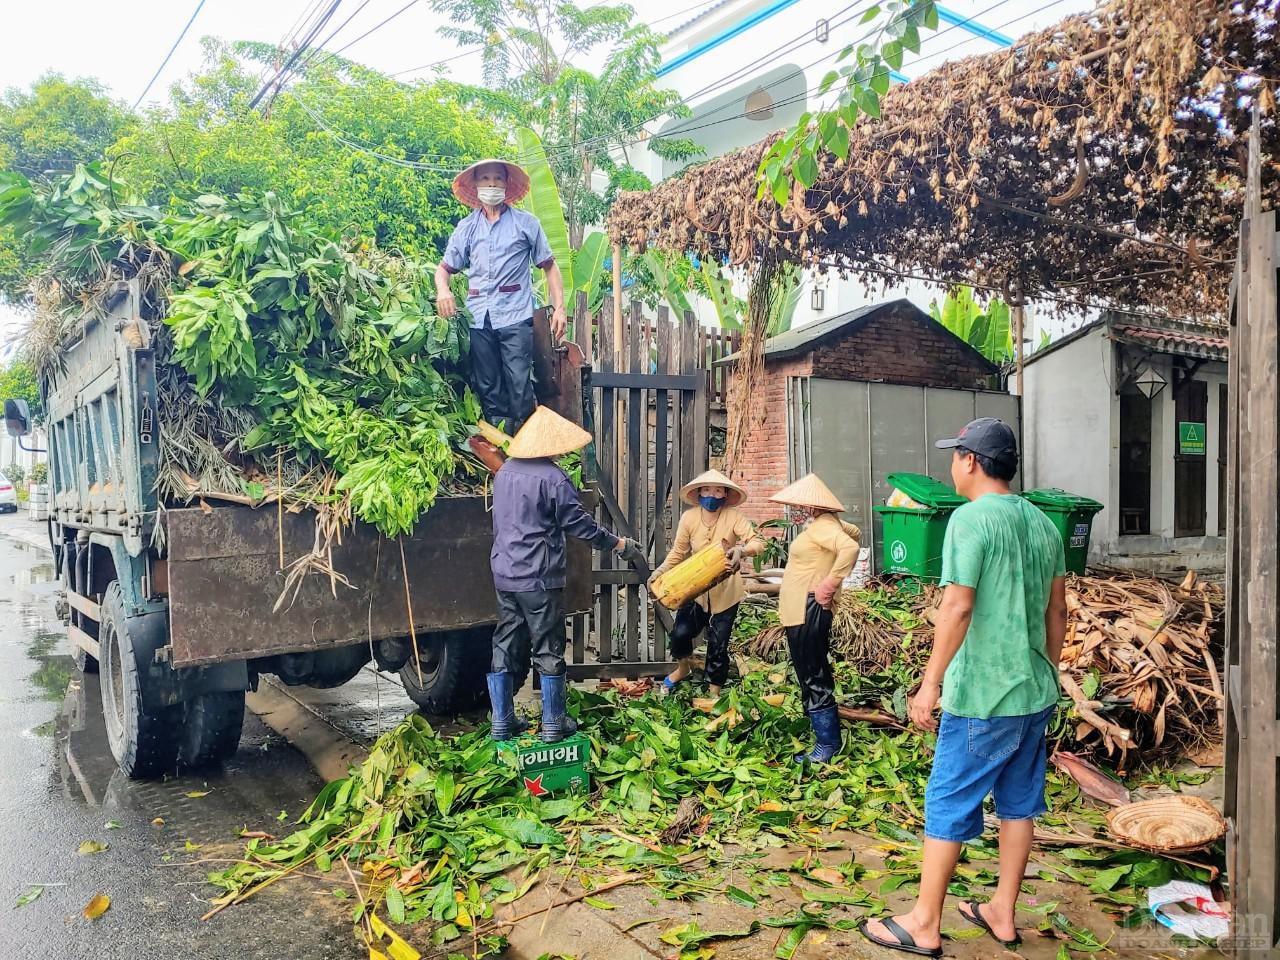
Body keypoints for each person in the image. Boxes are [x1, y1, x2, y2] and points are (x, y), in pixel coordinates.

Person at [859, 418, 1068, 958]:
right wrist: (1047, 667)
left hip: (983, 695)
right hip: (1034, 690)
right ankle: (1002, 910)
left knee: (948, 799)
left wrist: (931, 684)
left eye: (955, 455)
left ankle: (924, 923)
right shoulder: (1044, 525)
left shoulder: (970, 520)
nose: (952, 464)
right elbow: (1057, 609)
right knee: (1020, 804)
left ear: (970, 461)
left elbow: (958, 605)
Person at [487, 405, 644, 744]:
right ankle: (554, 723)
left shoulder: (505, 473)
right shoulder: (553, 479)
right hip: (539, 577)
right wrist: (618, 543)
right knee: (547, 646)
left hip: (505, 573)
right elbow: (578, 525)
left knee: (505, 642)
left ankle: (502, 721)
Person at [436, 159, 567, 435]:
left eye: (497, 178)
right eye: (485, 178)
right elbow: (444, 270)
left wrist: (560, 308)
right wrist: (443, 290)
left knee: (519, 382)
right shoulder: (467, 228)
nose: (492, 183)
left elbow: (550, 267)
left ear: (507, 184)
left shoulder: (526, 224)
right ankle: (501, 447)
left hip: (515, 318)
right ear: (476, 185)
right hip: (478, 319)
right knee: (487, 385)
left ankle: (529, 449)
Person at [648, 470, 766, 695]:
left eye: (718, 490)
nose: (712, 494)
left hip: (727, 590)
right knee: (681, 633)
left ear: (725, 494)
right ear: (699, 493)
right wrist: (660, 571)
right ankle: (683, 669)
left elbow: (757, 543)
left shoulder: (733, 517)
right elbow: (678, 551)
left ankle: (714, 693)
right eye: (707, 490)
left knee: (718, 643)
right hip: (694, 589)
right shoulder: (689, 518)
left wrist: (741, 550)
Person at [770, 473, 861, 764]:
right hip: (800, 607)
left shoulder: (823, 525)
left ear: (812, 506)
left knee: (813, 671)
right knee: (809, 669)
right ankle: (817, 731)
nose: (796, 510)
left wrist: (829, 583)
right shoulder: (826, 524)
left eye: (800, 505)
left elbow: (850, 547)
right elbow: (853, 533)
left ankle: (827, 744)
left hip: (807, 607)